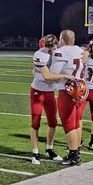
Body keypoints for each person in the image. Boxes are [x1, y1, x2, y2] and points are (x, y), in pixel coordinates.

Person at [30, 34, 74, 165]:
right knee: (35, 122)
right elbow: (47, 76)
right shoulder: (39, 55)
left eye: (54, 46)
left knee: (53, 122)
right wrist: (66, 75)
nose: (52, 49)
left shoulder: (59, 52)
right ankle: (35, 152)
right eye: (49, 47)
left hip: (50, 92)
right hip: (38, 91)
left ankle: (50, 149)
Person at [49, 30, 86, 166]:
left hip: (67, 91)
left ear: (62, 39)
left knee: (69, 125)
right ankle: (76, 152)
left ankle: (73, 155)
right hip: (81, 89)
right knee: (76, 123)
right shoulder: (79, 50)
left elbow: (53, 74)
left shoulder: (61, 52)